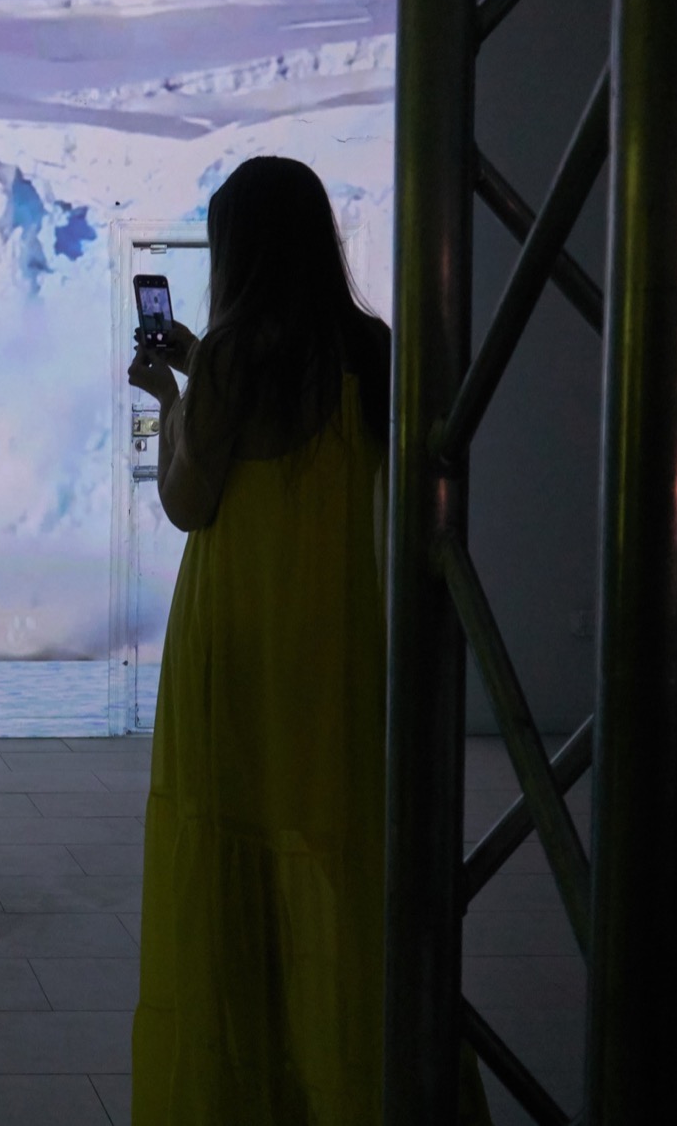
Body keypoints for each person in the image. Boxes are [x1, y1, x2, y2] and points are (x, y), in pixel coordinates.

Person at [126, 156, 487, 1123]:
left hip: (237, 646)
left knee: (232, 865)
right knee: (337, 866)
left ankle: (250, 1089)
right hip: (340, 645)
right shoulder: (370, 346)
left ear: (237, 247)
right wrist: (202, 366)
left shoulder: (237, 355)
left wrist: (171, 394)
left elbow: (190, 502)